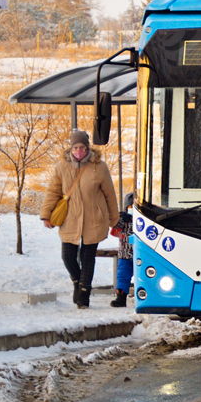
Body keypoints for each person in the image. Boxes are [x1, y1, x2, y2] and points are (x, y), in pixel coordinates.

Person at [41, 129, 118, 309]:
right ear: (71, 148)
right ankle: (77, 281)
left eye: (82, 147)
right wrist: (46, 214)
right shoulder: (61, 166)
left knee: (87, 257)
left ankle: (84, 295)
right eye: (75, 147)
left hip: (94, 219)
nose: (79, 151)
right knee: (67, 256)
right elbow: (53, 191)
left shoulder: (100, 166)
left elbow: (110, 195)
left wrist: (114, 220)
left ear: (87, 147)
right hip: (70, 218)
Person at [109, 193, 135, 308]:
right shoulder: (123, 220)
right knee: (122, 276)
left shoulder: (145, 219)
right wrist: (118, 217)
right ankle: (121, 297)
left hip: (143, 254)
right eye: (130, 208)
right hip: (125, 254)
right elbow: (114, 226)